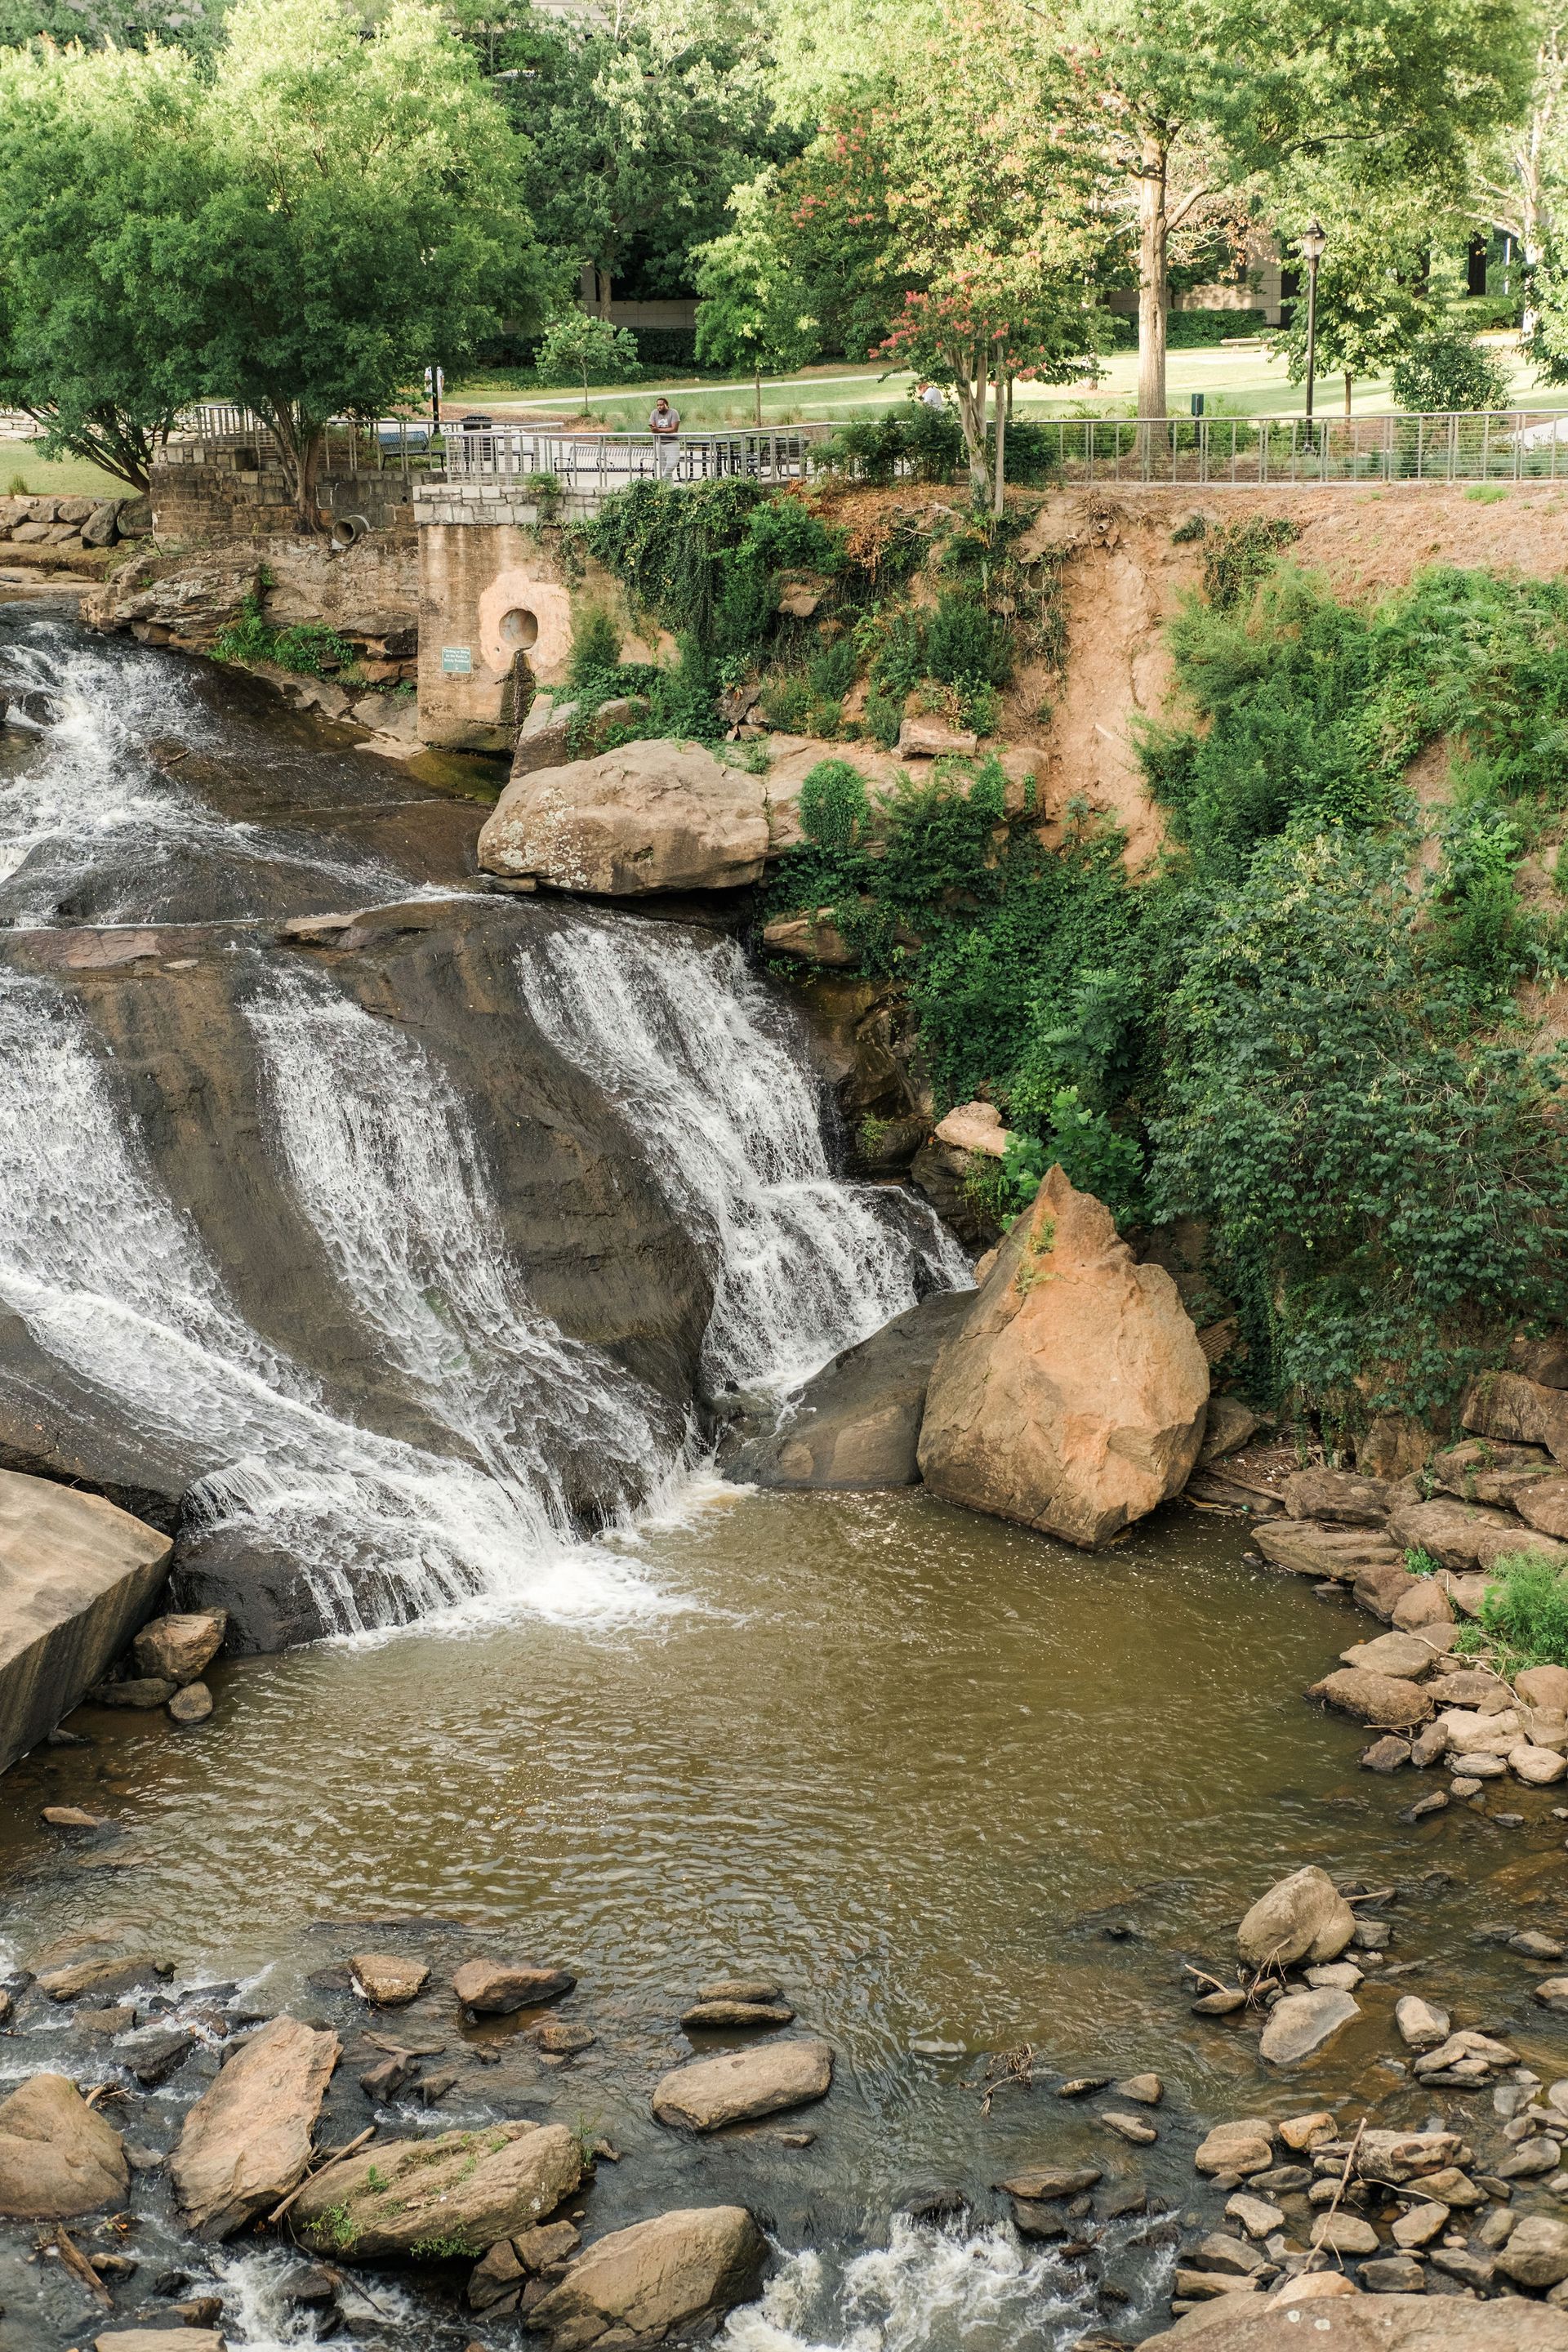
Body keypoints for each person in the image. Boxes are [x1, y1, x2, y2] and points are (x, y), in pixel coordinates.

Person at [649, 394, 681, 477]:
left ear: (667, 405)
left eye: (661, 405)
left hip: (672, 442)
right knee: (664, 466)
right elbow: (653, 428)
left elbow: (674, 429)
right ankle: (668, 487)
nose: (659, 407)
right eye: (658, 405)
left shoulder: (673, 412)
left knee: (672, 464)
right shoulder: (654, 413)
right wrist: (660, 430)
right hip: (659, 442)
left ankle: (664, 478)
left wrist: (659, 430)